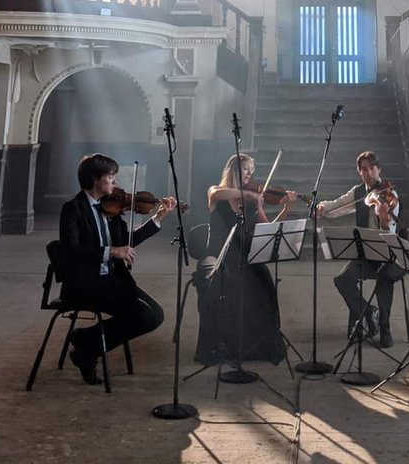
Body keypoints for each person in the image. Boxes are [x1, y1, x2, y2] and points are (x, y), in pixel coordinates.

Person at [58, 153, 177, 385]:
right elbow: (70, 251)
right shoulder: (73, 209)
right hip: (84, 284)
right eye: (110, 176)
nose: (115, 182)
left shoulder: (110, 212)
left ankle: (85, 340)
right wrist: (111, 252)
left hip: (111, 281)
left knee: (154, 315)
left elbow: (128, 241)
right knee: (141, 316)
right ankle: (88, 350)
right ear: (95, 179)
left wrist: (158, 217)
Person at [193, 153, 297, 366]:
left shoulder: (252, 201)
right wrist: (248, 195)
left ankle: (253, 345)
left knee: (262, 278)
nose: (249, 173)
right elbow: (216, 192)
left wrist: (286, 209)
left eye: (251, 170)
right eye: (245, 169)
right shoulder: (216, 194)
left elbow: (268, 229)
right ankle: (220, 345)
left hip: (243, 256)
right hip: (216, 256)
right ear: (233, 171)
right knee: (224, 280)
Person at [318, 150, 404, 348]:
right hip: (365, 254)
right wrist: (322, 208)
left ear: (378, 169)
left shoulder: (390, 195)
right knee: (342, 280)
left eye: (372, 168)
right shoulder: (359, 192)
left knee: (385, 277)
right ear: (360, 172)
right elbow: (337, 206)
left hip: (387, 255)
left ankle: (385, 328)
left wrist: (383, 217)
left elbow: (389, 231)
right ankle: (367, 312)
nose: (369, 173)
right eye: (364, 169)